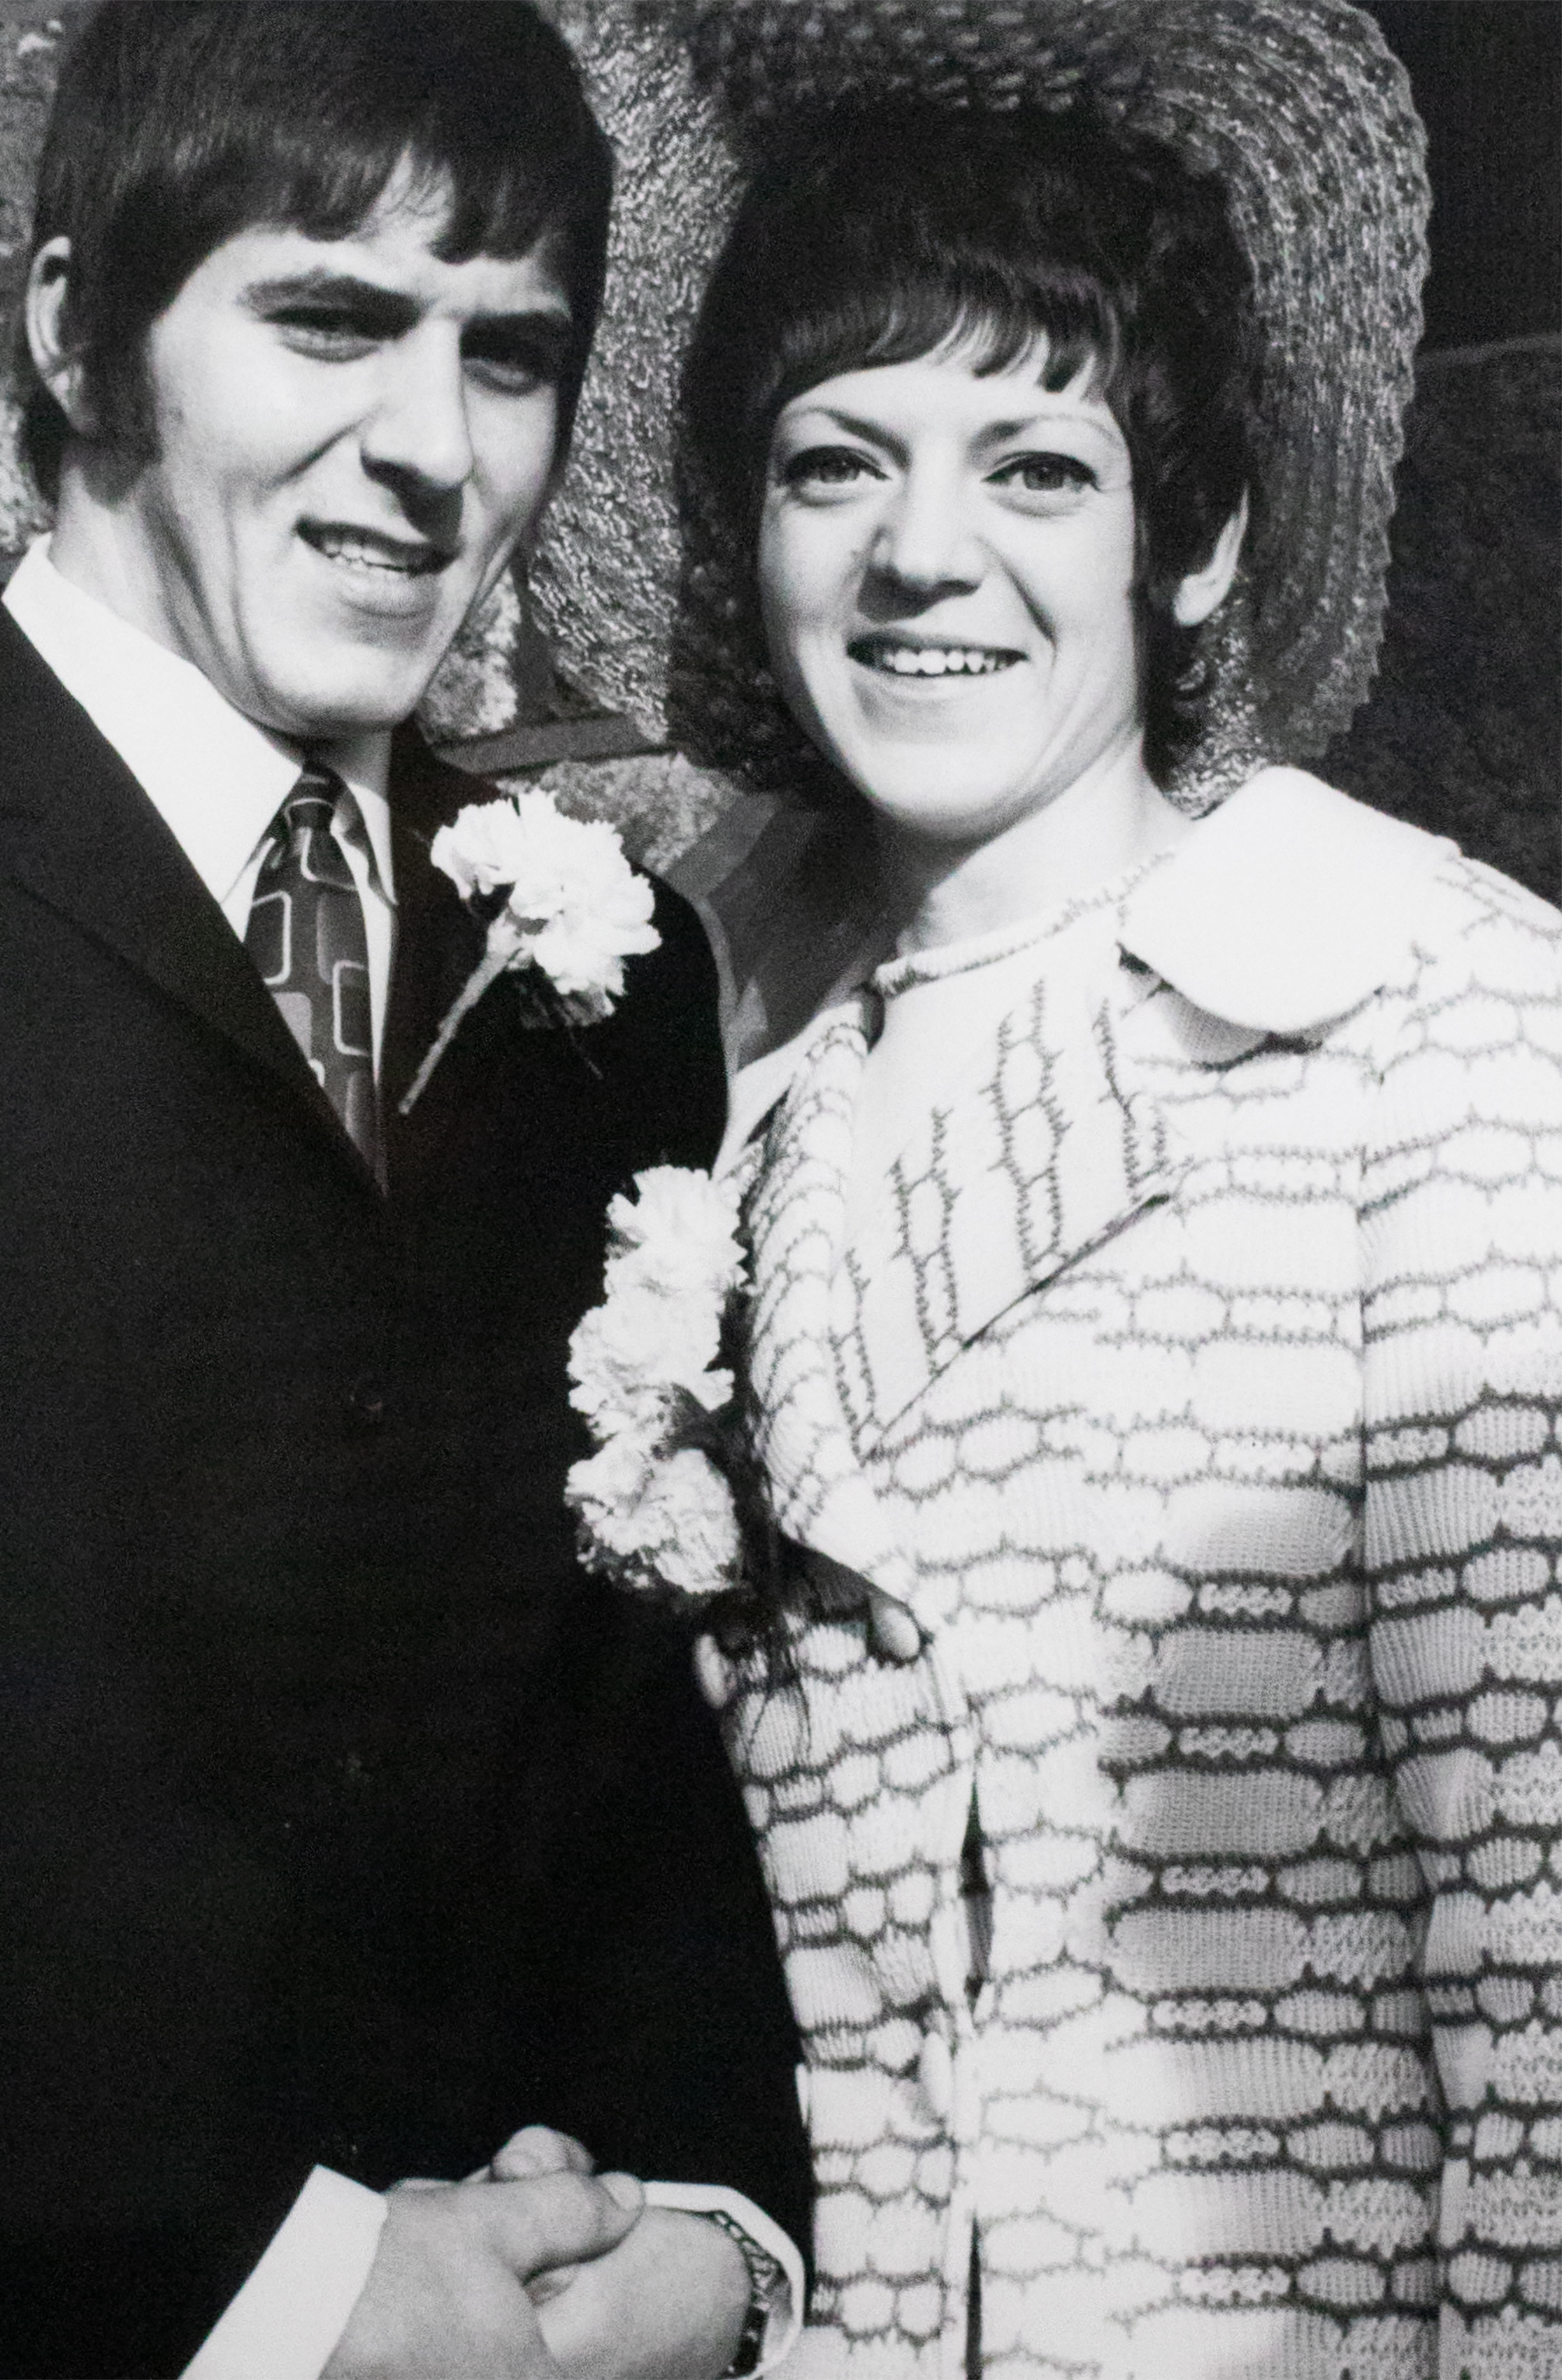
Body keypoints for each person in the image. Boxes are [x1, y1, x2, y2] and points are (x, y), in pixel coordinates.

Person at [0, 5, 814, 2375]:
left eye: (514, 354)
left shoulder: (613, 980)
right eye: (329, 317)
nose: (432, 450)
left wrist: (719, 2239)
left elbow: (621, 1724)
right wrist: (293, 2295)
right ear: (73, 327)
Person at [540, 3, 1562, 2373]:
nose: (923, 555)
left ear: (1189, 544)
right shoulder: (691, 1078)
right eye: (834, 464)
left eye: (1034, 467)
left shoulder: (1427, 1025)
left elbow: (1544, 1948)